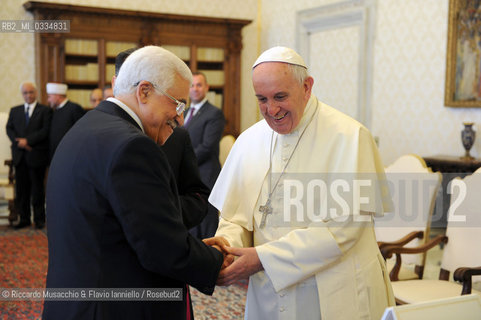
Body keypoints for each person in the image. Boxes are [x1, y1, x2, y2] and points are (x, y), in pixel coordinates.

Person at [206, 47, 394, 320]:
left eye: (280, 97)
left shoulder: (350, 137)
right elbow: (235, 217)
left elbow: (343, 229)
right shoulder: (249, 140)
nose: (271, 110)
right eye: (262, 99)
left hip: (333, 290)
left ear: (307, 87)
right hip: (269, 289)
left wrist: (262, 258)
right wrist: (228, 248)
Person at [42, 45, 225, 320]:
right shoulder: (133, 146)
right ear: (145, 91)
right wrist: (219, 262)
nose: (179, 116)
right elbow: (160, 248)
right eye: (177, 103)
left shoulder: (87, 125)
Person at [113, 47, 210, 229]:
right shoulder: (112, 138)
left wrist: (165, 213)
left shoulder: (176, 133)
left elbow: (197, 197)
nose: (180, 120)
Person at [184, 72, 225, 239]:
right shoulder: (185, 112)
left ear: (206, 88)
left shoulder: (214, 113)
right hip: (189, 175)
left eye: (199, 85)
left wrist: (183, 162)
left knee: (206, 223)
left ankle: (212, 259)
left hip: (206, 175)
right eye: (192, 85)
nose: (195, 89)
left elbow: (207, 147)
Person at [6, 82, 52, 229]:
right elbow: (9, 128)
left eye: (31, 92)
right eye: (25, 93)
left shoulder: (45, 110)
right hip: (19, 157)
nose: (28, 95)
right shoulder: (15, 111)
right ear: (22, 94)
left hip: (36, 155)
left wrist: (28, 141)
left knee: (37, 190)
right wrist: (19, 142)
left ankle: (39, 220)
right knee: (22, 191)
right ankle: (24, 219)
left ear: (36, 93)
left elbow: (45, 130)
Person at [46, 82, 85, 161]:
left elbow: (82, 131)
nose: (48, 100)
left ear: (57, 96)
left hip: (70, 154)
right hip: (56, 155)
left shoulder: (74, 108)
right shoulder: (55, 110)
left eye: (49, 97)